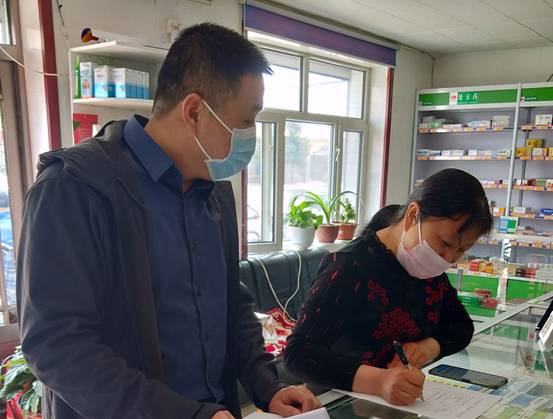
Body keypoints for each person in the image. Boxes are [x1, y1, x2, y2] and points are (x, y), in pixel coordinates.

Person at [17, 23, 320, 419]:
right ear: (194, 111)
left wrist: (268, 385)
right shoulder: (75, 187)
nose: (251, 135)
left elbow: (231, 303)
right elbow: (57, 345)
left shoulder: (216, 192)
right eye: (248, 120)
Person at [284, 168, 493, 406]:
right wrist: (379, 382)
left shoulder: (427, 268)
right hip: (340, 401)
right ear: (413, 215)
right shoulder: (349, 267)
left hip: (399, 404)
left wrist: (428, 347)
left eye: (462, 250)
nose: (449, 258)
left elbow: (461, 326)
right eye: (445, 243)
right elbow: (298, 354)